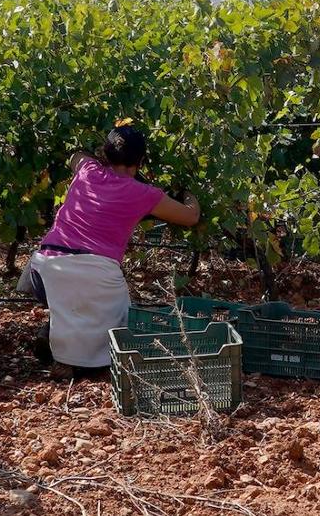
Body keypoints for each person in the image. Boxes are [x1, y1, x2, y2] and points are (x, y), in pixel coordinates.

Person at [16, 122, 200, 378]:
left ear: (106, 154)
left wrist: (97, 156)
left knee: (69, 292)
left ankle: (55, 343)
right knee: (116, 314)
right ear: (141, 160)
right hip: (95, 276)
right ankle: (75, 360)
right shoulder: (144, 193)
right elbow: (190, 217)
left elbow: (75, 156)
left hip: (45, 271)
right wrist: (190, 195)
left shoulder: (87, 170)